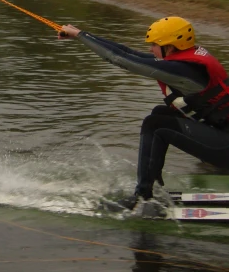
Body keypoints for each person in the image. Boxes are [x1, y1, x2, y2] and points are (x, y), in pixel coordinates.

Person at [58, 16, 229, 209]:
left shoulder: (182, 71)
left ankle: (142, 197)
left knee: (155, 125)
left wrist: (81, 36)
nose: (151, 49)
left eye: (155, 44)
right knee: (160, 114)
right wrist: (82, 35)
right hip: (222, 135)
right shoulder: (185, 60)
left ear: (170, 46)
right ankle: (152, 180)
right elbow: (129, 52)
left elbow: (120, 59)